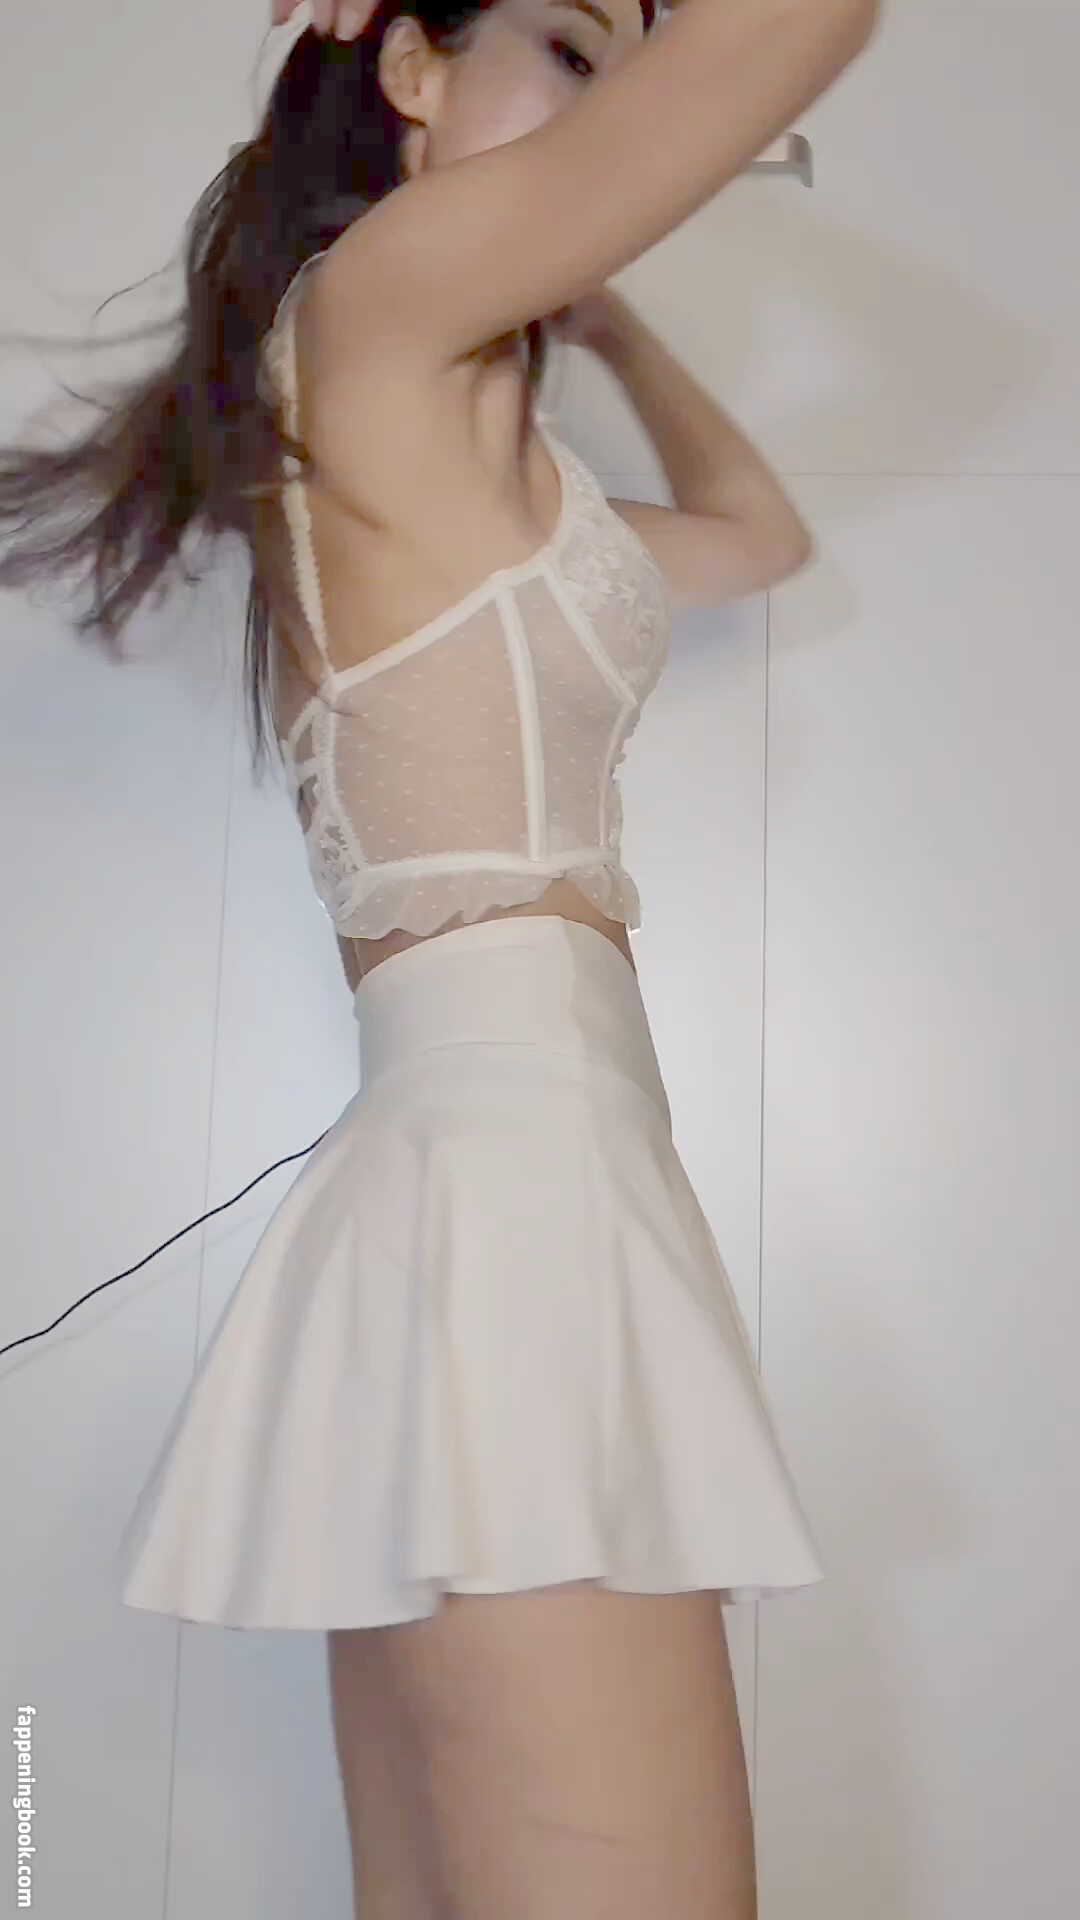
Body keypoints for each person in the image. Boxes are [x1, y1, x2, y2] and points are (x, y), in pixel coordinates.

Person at [0, 0, 879, 1913]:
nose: (619, 104)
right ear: (407, 69)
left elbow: (758, 538)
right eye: (574, 44)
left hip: (513, 1191)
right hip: (512, 1198)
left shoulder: (483, 462)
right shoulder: (377, 303)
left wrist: (615, 313)